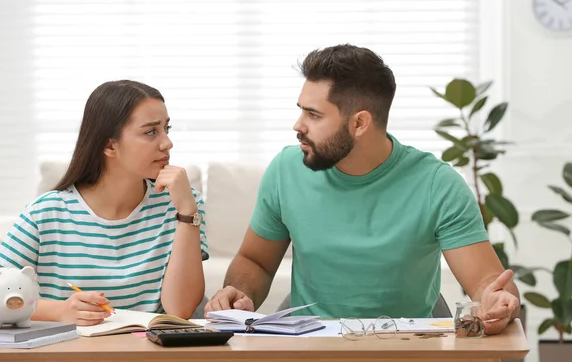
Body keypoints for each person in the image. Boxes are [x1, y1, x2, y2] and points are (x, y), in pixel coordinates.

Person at [204, 44, 520, 335]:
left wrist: (496, 300)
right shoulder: (286, 170)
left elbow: (484, 281)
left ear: (359, 123)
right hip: (309, 337)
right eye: (302, 110)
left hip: (408, 340)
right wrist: (240, 292)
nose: (298, 125)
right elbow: (255, 261)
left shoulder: (438, 184)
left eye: (313, 114)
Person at [0, 80, 208, 326]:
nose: (167, 143)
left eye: (166, 129)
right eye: (151, 132)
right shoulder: (45, 214)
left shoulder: (183, 204)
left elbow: (180, 310)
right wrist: (58, 311)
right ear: (109, 145)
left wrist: (187, 212)